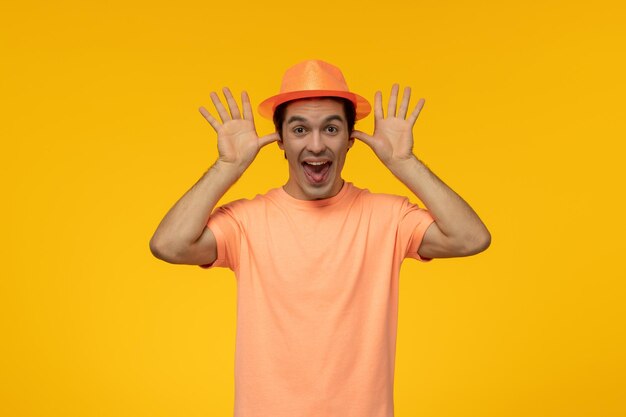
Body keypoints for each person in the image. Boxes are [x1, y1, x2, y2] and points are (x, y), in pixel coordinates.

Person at [150, 60, 490, 417]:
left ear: (351, 138)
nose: (316, 145)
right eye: (299, 130)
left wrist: (404, 163)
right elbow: (168, 245)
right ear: (279, 139)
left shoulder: (387, 217)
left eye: (330, 128)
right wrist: (227, 167)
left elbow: (469, 238)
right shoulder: (246, 222)